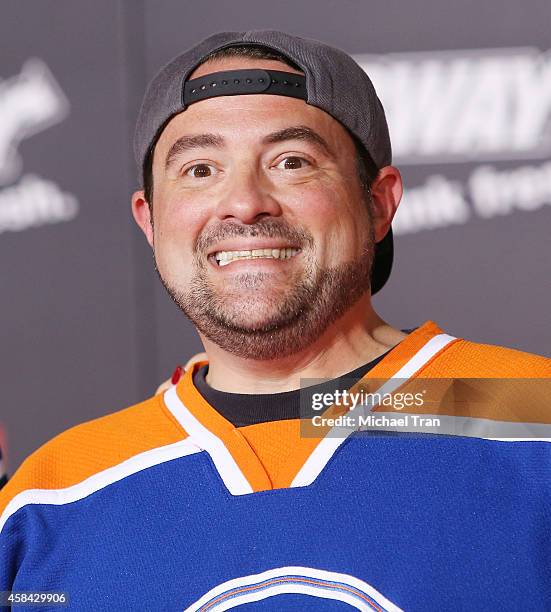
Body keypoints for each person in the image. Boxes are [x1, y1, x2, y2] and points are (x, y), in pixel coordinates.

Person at [1, 30, 550, 611]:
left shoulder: (532, 416)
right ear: (150, 221)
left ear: (380, 203)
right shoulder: (48, 500)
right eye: (199, 169)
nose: (244, 202)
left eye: (292, 162)